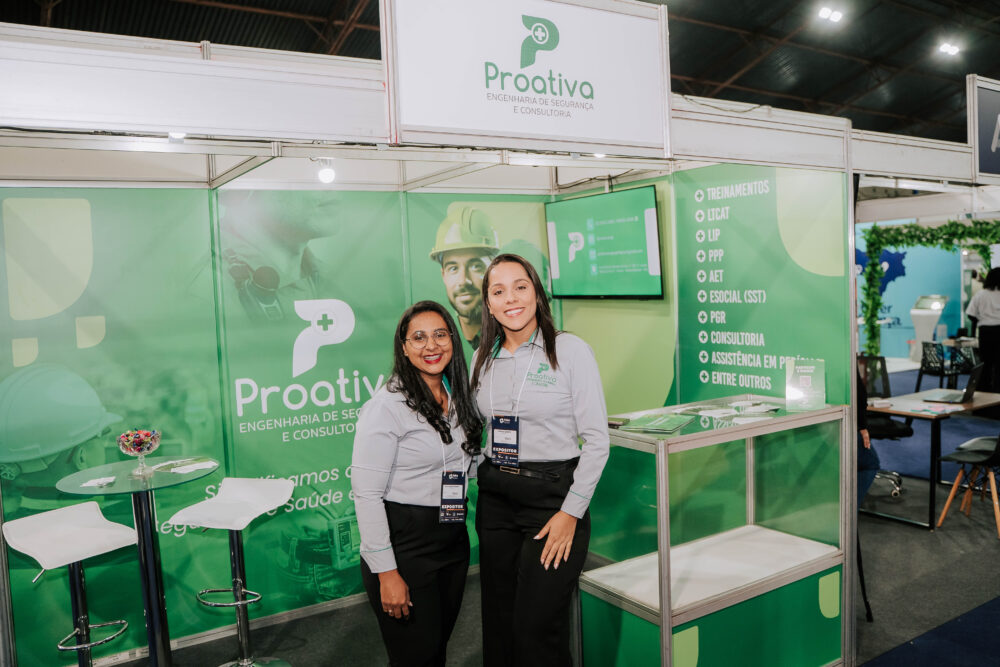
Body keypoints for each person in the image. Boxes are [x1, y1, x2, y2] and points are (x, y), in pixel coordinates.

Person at [469, 253, 610, 667]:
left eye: (520, 287)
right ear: (488, 303)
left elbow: (598, 441)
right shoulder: (482, 357)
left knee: (536, 631)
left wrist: (571, 513)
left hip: (552, 502)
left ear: (536, 293)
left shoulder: (569, 351)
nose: (511, 298)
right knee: (499, 623)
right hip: (496, 500)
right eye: (499, 291)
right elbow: (475, 430)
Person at [351, 301, 483, 667]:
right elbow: (366, 494)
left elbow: (466, 462)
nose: (431, 346)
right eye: (419, 337)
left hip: (452, 539)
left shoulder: (456, 396)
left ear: (453, 340)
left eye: (440, 335)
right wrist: (387, 573)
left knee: (436, 650)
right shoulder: (387, 407)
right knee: (414, 657)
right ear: (404, 347)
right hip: (405, 546)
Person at [429, 207, 500, 349]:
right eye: (453, 268)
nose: (463, 280)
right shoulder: (437, 342)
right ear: (443, 275)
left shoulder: (515, 335)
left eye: (476, 266)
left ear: (494, 271)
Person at [966, 267, 1000, 392]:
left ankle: (984, 391)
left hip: (985, 332)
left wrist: (980, 320)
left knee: (986, 363)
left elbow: (970, 314)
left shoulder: (981, 294)